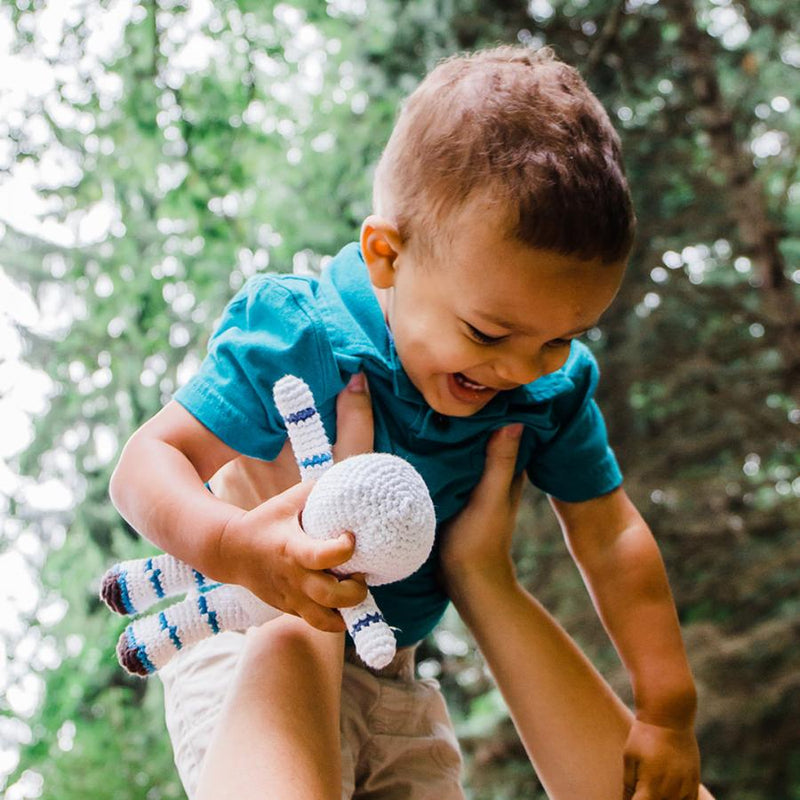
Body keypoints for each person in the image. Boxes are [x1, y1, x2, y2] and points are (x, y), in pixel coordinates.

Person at [109, 45, 709, 799]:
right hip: (247, 631)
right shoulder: (304, 337)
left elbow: (610, 532)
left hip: (393, 669)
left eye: (561, 338)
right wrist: (237, 546)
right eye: (490, 334)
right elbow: (147, 462)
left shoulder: (548, 392)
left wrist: (667, 708)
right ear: (387, 254)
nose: (524, 368)